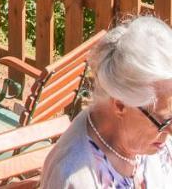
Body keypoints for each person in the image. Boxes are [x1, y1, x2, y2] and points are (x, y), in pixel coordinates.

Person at [40, 15, 172, 188]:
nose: (170, 131)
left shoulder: (146, 135)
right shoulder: (75, 179)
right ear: (120, 105)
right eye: (164, 122)